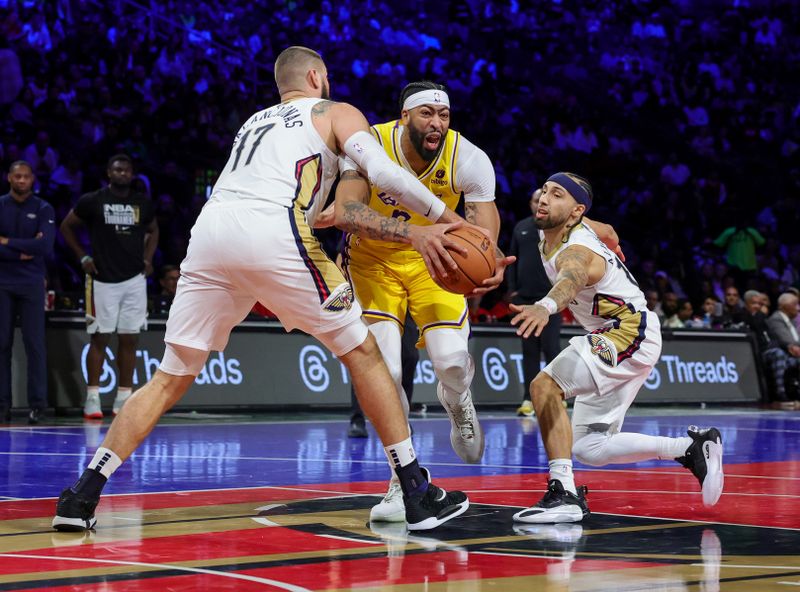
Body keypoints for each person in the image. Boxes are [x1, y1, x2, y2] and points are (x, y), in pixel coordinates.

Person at [53, 46, 472, 533]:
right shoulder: (335, 111)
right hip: (272, 229)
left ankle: (82, 493)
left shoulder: (253, 123)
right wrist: (445, 223)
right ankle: (416, 492)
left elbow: (310, 202)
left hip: (210, 233)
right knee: (364, 353)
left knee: (171, 376)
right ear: (317, 76)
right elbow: (384, 173)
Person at [337, 80, 512, 523]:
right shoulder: (368, 144)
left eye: (444, 115)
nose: (436, 123)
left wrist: (488, 260)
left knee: (451, 362)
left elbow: (482, 229)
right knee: (387, 374)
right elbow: (350, 212)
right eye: (426, 114)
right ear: (404, 117)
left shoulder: (468, 157)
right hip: (374, 262)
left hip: (436, 260)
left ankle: (457, 399)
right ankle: (402, 480)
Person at [508, 172, 724, 523]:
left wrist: (545, 306)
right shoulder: (572, 227)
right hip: (624, 332)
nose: (544, 198)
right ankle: (690, 449)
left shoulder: (577, 249)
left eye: (556, 194)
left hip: (626, 331)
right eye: (544, 191)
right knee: (588, 447)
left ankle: (563, 493)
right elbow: (607, 230)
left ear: (575, 211)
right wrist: (615, 244)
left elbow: (571, 277)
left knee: (544, 386)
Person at [60, 154, 158, 419]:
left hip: (134, 280)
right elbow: (66, 226)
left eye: (126, 170)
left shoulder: (142, 203)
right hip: (102, 279)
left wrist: (148, 259)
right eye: (117, 169)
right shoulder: (93, 201)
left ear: (132, 173)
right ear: (108, 173)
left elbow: (154, 229)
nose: (122, 173)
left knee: (129, 338)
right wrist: (82, 257)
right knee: (100, 337)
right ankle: (92, 397)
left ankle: (123, 398)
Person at [0, 161, 55, 424]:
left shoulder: (43, 208)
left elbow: (44, 246)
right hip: (2, 282)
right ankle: (3, 405)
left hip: (32, 282)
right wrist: (25, 249)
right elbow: (35, 245)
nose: (21, 180)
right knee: (2, 344)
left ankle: (38, 406)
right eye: (17, 176)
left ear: (32, 179)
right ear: (9, 178)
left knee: (35, 344)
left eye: (26, 177)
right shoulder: (0, 205)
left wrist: (6, 242)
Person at [508, 188, 562, 417]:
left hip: (549, 301)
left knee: (551, 349)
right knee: (529, 352)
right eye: (535, 199)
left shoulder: (556, 229)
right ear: (531, 203)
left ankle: (556, 395)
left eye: (543, 200)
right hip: (524, 300)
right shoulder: (521, 228)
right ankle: (528, 399)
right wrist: (511, 290)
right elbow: (511, 259)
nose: (539, 203)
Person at [348, 315, 418, 438]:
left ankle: (402, 419)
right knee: (363, 356)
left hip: (404, 305)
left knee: (410, 356)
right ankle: (357, 420)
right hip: (373, 304)